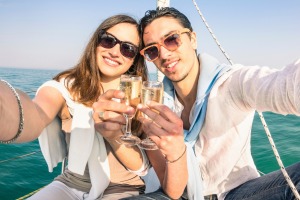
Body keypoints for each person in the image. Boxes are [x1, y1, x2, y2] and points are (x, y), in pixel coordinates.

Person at [125, 7, 300, 200]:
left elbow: (286, 85)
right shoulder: (155, 101)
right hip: (176, 191)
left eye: (172, 39)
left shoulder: (232, 84)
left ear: (192, 39)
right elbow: (147, 166)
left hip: (234, 193)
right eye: (152, 50)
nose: (164, 55)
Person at [0, 14, 150, 199]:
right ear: (96, 42)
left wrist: (114, 136)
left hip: (123, 188)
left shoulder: (138, 96)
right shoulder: (67, 87)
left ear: (135, 59)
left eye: (127, 49)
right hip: (71, 184)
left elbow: (141, 168)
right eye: (108, 40)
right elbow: (37, 113)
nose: (115, 51)